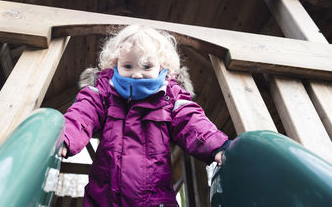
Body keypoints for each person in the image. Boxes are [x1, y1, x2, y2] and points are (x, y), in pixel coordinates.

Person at [61, 24, 230, 206]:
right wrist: (65, 136)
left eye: (146, 66)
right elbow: (84, 112)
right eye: (128, 66)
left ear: (161, 66)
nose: (136, 75)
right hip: (104, 199)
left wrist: (217, 145)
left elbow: (191, 120)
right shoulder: (105, 90)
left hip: (154, 200)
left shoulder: (170, 95)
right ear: (115, 64)